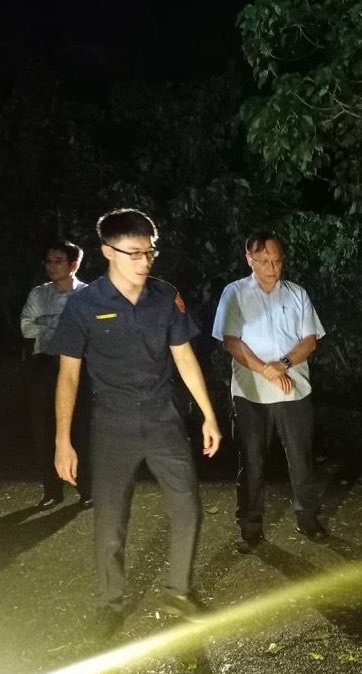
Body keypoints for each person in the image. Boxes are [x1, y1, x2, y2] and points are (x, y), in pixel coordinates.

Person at [50, 209, 221, 638]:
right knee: (110, 520)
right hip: (113, 422)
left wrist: (208, 414)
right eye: (135, 254)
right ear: (108, 252)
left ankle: (178, 592)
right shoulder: (83, 305)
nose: (146, 262)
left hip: (163, 416)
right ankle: (110, 603)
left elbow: (184, 356)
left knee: (188, 509)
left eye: (150, 252)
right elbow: (68, 375)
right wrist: (62, 441)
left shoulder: (165, 296)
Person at [212, 231, 328, 549]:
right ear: (249, 259)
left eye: (276, 260)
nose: (271, 267)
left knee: (301, 459)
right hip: (250, 393)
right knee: (251, 461)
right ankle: (250, 526)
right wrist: (265, 369)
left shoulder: (296, 294)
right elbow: (231, 340)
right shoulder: (234, 293)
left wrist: (284, 364)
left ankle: (308, 518)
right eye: (263, 261)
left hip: (294, 390)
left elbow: (310, 340)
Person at [20, 239, 91, 509]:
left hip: (80, 368)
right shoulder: (39, 294)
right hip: (46, 364)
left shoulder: (87, 295)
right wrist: (59, 325)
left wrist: (48, 322)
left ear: (73, 265)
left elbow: (91, 331)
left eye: (57, 261)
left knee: (82, 428)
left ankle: (87, 488)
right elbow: (27, 326)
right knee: (43, 428)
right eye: (48, 261)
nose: (51, 266)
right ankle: (51, 490)